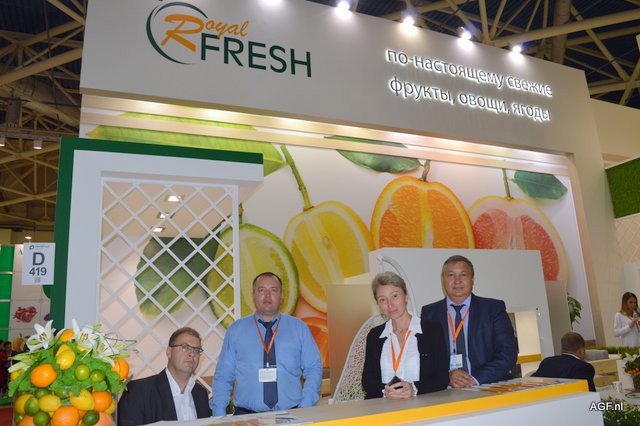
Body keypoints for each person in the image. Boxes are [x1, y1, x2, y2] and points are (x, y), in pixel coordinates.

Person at [211, 272, 322, 416]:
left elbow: (313, 368)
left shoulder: (299, 328)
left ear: (281, 296)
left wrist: (306, 405)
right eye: (261, 290)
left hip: (291, 415)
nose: (267, 296)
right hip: (246, 417)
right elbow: (223, 376)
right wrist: (219, 415)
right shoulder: (236, 330)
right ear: (253, 295)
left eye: (273, 290)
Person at [421, 255, 517, 388]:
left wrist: (475, 379)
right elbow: (426, 359)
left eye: (463, 275)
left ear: (472, 279)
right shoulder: (430, 313)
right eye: (451, 275)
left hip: (487, 386)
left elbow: (508, 353)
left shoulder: (493, 309)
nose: (457, 281)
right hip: (447, 391)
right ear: (443, 280)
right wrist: (446, 376)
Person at [362, 271, 449, 399]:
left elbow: (442, 378)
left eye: (395, 296)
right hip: (384, 407)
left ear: (406, 296)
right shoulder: (375, 335)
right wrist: (385, 391)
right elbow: (367, 382)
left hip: (421, 406)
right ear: (378, 304)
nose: (390, 304)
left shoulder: (431, 330)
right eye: (382, 300)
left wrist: (414, 389)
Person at [117, 327, 211, 425]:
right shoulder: (138, 391)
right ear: (169, 352)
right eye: (184, 347)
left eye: (197, 350)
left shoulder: (201, 394)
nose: (192, 354)